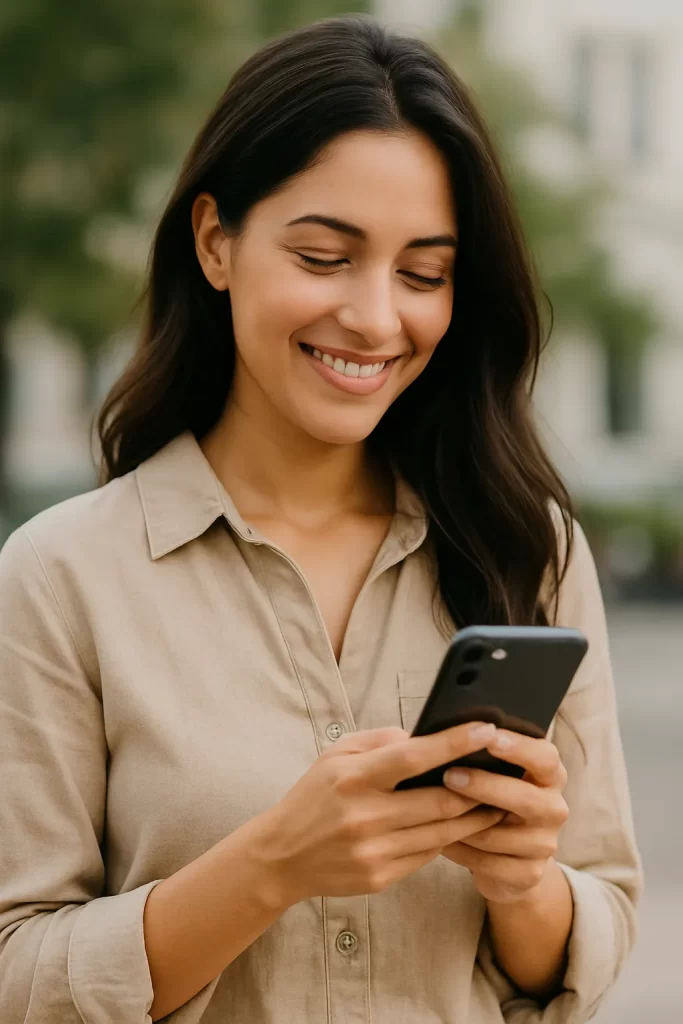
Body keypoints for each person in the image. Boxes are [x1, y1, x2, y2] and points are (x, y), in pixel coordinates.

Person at [0, 14, 641, 1024]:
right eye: (323, 256)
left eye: (422, 274)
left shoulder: (528, 546)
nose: (376, 318)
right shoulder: (59, 576)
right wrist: (271, 864)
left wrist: (523, 883)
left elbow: (597, 917)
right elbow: (15, 972)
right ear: (215, 241)